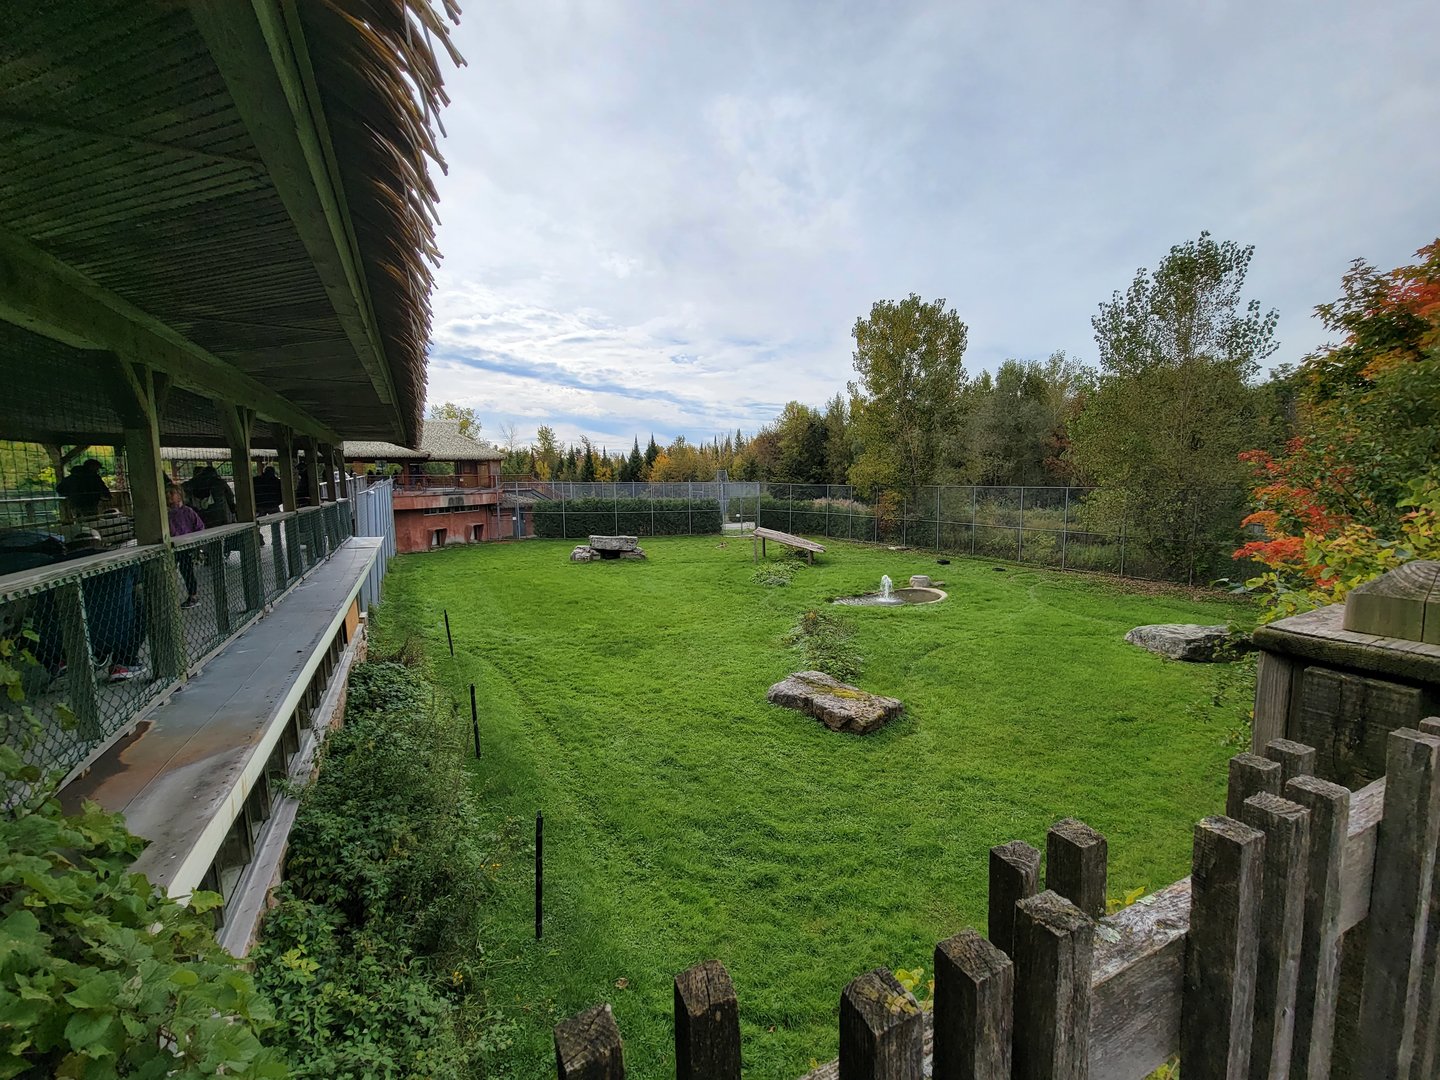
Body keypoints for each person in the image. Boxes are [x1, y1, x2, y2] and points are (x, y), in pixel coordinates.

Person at [167, 485, 205, 608]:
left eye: (171, 493)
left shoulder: (188, 511)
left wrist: (194, 542)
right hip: (171, 546)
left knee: (187, 571)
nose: (169, 496)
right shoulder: (166, 514)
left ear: (179, 495)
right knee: (168, 571)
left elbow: (199, 527)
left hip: (185, 546)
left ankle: (193, 596)